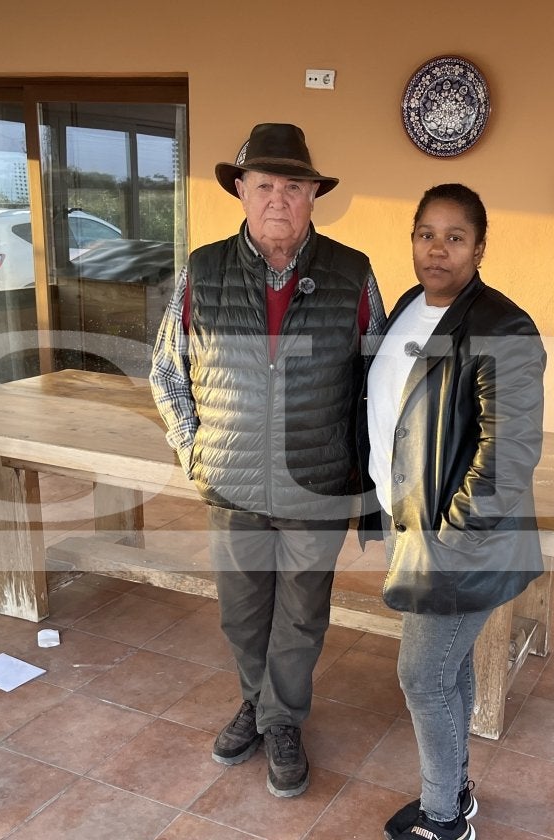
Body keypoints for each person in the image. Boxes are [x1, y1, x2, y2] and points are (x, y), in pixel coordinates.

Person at [150, 123, 385, 798]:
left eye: (292, 186)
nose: (277, 198)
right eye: (264, 186)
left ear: (314, 195)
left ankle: (281, 720)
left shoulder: (352, 272)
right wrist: (191, 447)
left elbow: (383, 374)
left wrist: (370, 468)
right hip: (232, 483)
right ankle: (257, 702)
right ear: (241, 193)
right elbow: (167, 370)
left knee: (303, 613)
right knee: (242, 613)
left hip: (317, 481)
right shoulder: (204, 268)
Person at [366, 184, 546, 840]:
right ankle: (457, 792)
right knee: (447, 668)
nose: (436, 249)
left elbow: (510, 449)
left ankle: (444, 823)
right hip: (407, 520)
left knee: (422, 674)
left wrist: (454, 539)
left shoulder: (504, 325)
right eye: (425, 234)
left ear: (479, 248)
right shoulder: (412, 304)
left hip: (455, 536)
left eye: (454, 237)